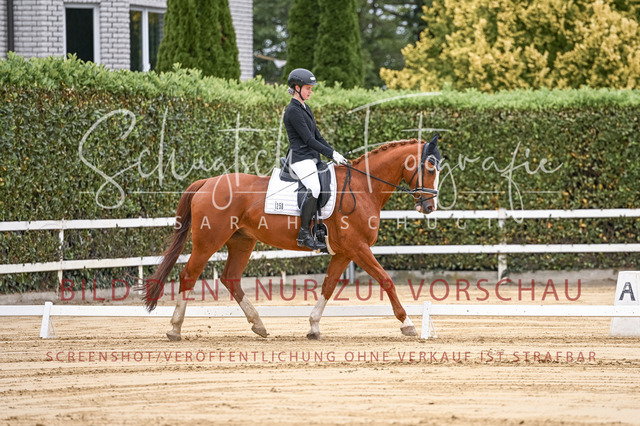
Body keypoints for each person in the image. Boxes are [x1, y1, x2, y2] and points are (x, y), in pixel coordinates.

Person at [283, 68, 348, 250]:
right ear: (297, 88)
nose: (310, 91)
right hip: (300, 158)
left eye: (311, 88)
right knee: (315, 187)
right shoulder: (293, 111)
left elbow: (318, 137)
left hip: (312, 158)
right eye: (308, 88)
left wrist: (334, 153)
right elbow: (308, 140)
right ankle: (304, 233)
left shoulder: (305, 108)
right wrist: (331, 155)